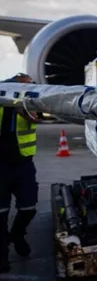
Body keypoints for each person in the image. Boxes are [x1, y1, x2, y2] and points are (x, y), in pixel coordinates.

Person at [0, 73, 40, 273]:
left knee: (29, 207)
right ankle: (2, 255)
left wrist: (20, 108)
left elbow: (36, 119)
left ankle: (16, 233)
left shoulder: (28, 100)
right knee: (0, 214)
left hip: (22, 163)